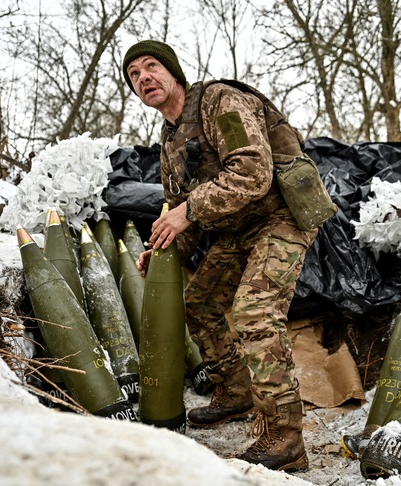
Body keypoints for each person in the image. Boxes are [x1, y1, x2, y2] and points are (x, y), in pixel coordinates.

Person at [123, 40, 317, 472]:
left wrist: (186, 212)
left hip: (281, 214)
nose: (144, 78)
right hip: (237, 226)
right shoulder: (170, 140)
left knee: (255, 311)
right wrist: (162, 252)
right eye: (134, 75)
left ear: (174, 73)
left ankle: (286, 440)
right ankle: (236, 392)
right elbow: (182, 213)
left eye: (151, 66)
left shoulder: (219, 101)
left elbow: (252, 169)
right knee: (200, 303)